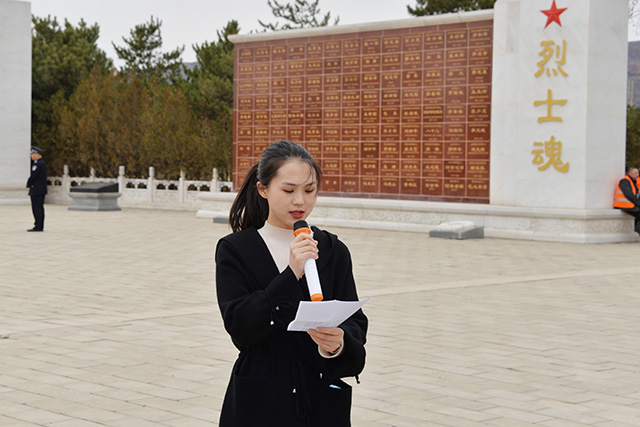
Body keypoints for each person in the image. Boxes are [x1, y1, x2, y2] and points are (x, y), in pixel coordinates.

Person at [215, 140, 368, 426]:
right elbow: (239, 324)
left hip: (319, 399)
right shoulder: (236, 249)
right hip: (261, 399)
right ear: (263, 189)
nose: (300, 201)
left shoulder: (333, 249)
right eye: (288, 190)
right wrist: (290, 273)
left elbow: (356, 324)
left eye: (309, 190)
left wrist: (337, 344)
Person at [26, 146, 47, 232]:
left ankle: (38, 226)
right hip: (40, 189)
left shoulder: (38, 164)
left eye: (33, 154)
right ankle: (39, 225)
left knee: (37, 208)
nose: (31, 156)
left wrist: (28, 184)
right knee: (39, 208)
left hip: (37, 190)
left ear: (37, 155)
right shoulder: (42, 163)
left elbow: (33, 176)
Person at [614, 166, 640, 234]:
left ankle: (634, 229)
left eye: (638, 173)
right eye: (636, 173)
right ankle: (634, 230)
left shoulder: (632, 182)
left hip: (628, 205)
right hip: (623, 205)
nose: (637, 174)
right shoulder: (625, 181)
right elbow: (629, 195)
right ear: (630, 173)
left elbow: (635, 195)